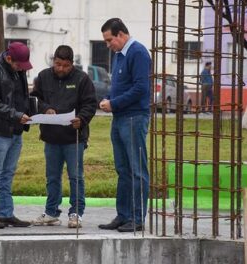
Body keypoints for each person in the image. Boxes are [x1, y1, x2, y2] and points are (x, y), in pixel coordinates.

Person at [30, 45, 97, 228]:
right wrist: (45, 109)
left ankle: (76, 213)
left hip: (74, 138)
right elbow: (35, 100)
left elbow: (90, 104)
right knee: (52, 176)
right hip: (51, 137)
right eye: (58, 64)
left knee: (76, 177)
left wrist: (81, 119)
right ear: (53, 61)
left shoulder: (82, 79)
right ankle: (51, 212)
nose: (61, 69)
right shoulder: (43, 77)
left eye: (65, 65)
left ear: (72, 64)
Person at [98, 18, 151, 232]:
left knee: (137, 169)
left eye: (110, 40)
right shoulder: (119, 55)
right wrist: (108, 98)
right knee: (123, 169)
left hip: (134, 118)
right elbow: (119, 85)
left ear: (121, 35)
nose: (108, 45)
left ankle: (137, 218)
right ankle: (123, 215)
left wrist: (114, 103)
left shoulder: (137, 53)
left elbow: (140, 88)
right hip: (119, 118)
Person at [0, 42, 33, 229]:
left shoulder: (18, 69)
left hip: (16, 129)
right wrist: (17, 115)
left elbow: (21, 95)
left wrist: (29, 111)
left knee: (8, 173)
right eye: (19, 64)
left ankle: (6, 213)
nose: (21, 69)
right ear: (9, 58)